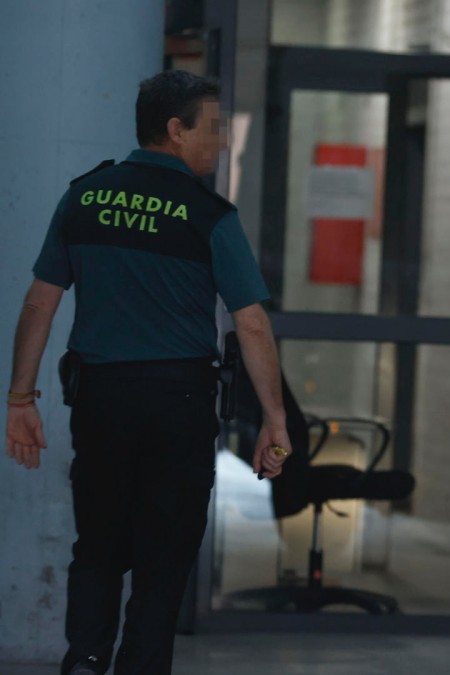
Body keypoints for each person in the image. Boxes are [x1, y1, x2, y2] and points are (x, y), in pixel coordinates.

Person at [4, 70, 292, 675]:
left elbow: (40, 302)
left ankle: (84, 658)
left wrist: (20, 398)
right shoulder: (208, 214)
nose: (219, 143)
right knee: (164, 555)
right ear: (175, 129)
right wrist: (273, 417)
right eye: (211, 130)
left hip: (101, 400)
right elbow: (253, 323)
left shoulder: (85, 196)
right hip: (178, 401)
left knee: (99, 544)